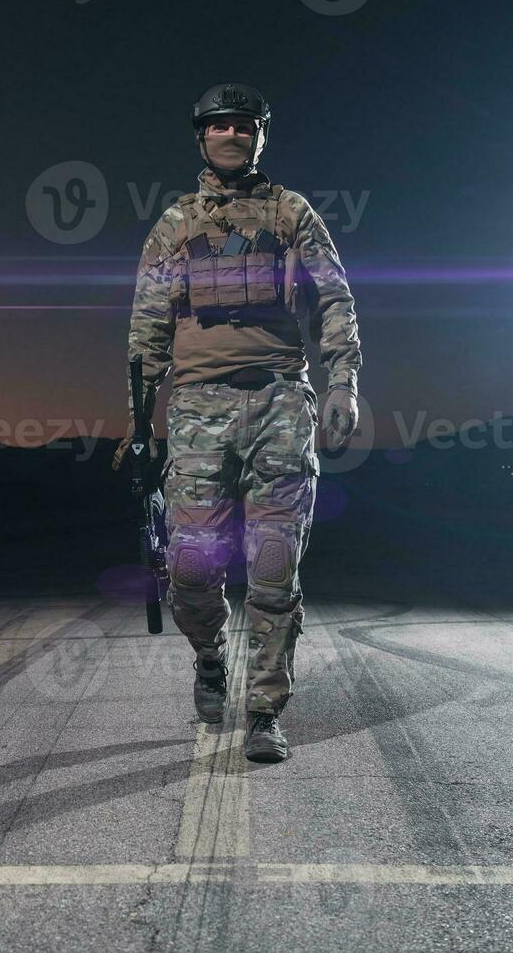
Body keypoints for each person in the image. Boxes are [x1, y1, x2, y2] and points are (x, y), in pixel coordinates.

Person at [113, 82, 362, 762]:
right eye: (218, 125)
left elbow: (334, 300)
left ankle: (263, 712)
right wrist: (140, 425)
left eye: (243, 124)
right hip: (196, 412)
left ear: (259, 134)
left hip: (280, 401)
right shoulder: (174, 224)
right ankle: (209, 656)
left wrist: (344, 380)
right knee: (191, 569)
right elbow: (147, 331)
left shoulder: (292, 213)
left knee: (274, 568)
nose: (231, 134)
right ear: (202, 137)